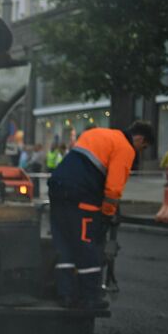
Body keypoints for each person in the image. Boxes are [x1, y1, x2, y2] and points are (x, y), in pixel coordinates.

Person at [47, 122, 153, 308]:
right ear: (140, 139)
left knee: (64, 244)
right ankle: (90, 297)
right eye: (142, 148)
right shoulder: (125, 148)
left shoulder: (97, 134)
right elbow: (113, 189)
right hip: (82, 197)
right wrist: (107, 215)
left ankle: (66, 294)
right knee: (87, 247)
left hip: (57, 190)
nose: (140, 152)